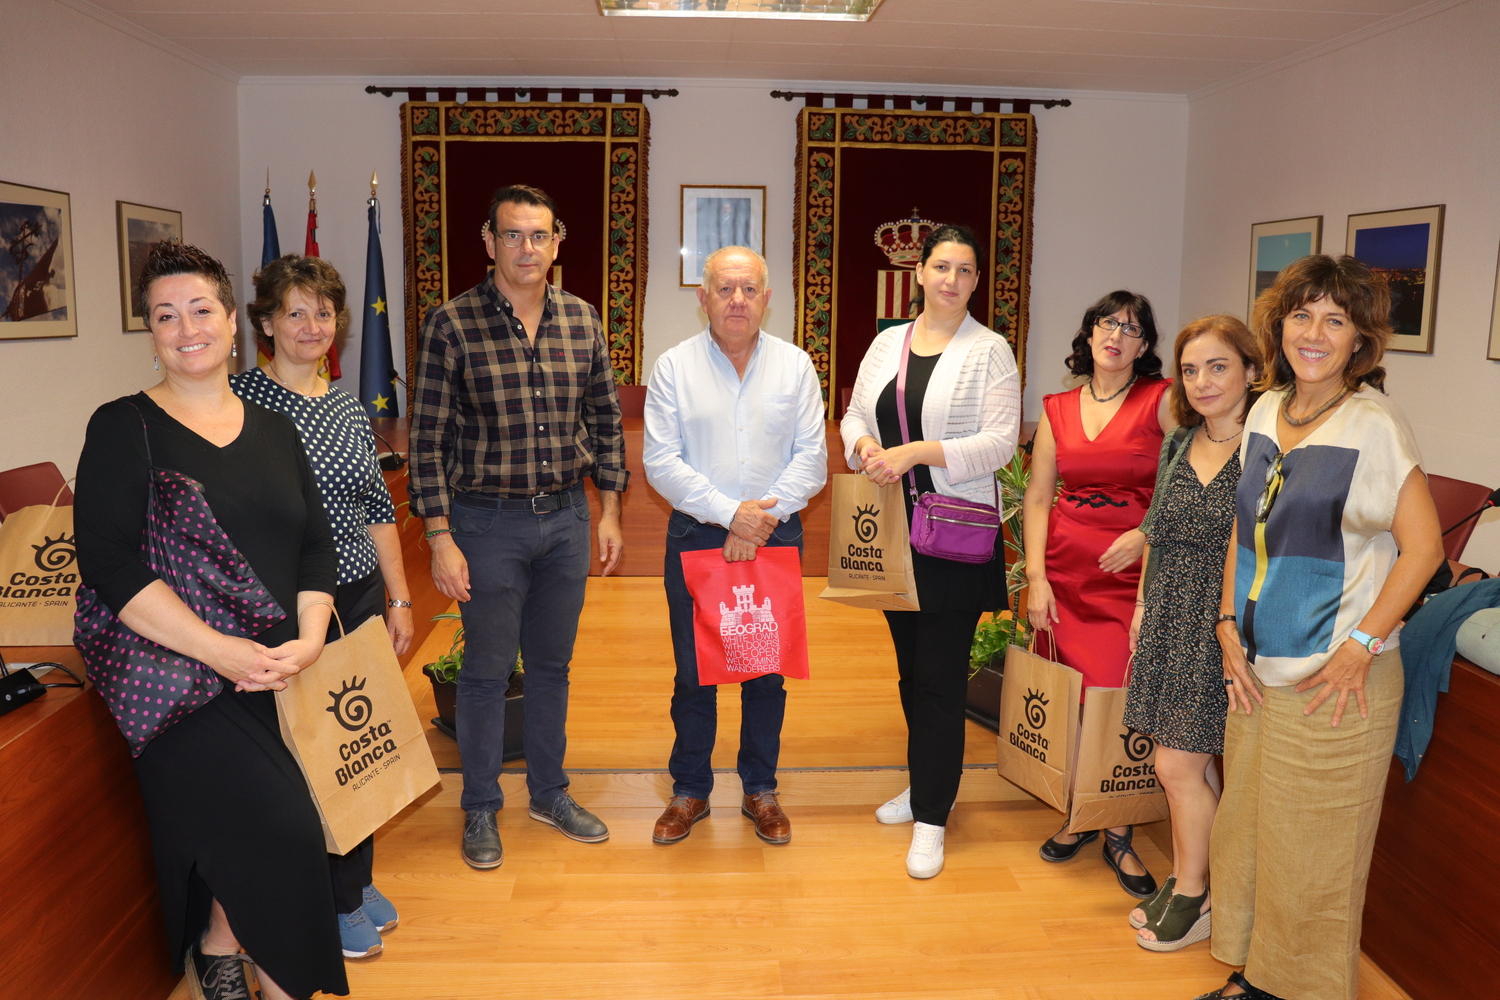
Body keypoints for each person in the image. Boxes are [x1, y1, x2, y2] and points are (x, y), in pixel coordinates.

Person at [74, 243, 345, 1000]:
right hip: (181, 683)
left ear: (232, 322)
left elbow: (315, 544)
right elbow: (108, 565)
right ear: (151, 333)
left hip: (274, 672)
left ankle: (221, 945)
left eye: (200, 310)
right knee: (288, 831)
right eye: (165, 316)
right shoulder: (123, 426)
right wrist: (222, 652)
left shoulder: (277, 430)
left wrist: (311, 637)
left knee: (250, 832)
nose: (186, 328)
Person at [1199, 255, 1443, 1000]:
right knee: (1250, 831)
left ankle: (1290, 990)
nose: (1314, 333)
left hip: (1335, 679)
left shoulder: (1375, 425)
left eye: (1335, 320)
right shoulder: (1265, 410)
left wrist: (1362, 645)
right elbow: (1243, 528)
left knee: (1314, 854)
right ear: (1280, 325)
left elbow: (1425, 550)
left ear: (1359, 340)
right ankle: (1257, 974)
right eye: (1302, 315)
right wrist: (1224, 622)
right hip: (1256, 670)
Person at [409, 184, 628, 870]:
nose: (526, 248)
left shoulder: (582, 320)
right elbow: (427, 439)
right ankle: (480, 805)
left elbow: (605, 418)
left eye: (539, 235)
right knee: (486, 670)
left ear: (557, 243)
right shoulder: (452, 324)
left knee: (553, 667)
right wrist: (439, 536)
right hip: (485, 523)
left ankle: (549, 793)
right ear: (489, 241)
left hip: (565, 519)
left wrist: (609, 510)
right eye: (512, 235)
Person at [232, 254, 414, 960]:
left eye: (325, 312)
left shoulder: (344, 404)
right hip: (287, 603)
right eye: (296, 312)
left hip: (358, 594)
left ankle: (354, 880)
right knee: (312, 753)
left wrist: (399, 597)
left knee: (360, 743)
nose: (312, 326)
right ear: (266, 323)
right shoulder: (241, 402)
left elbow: (377, 509)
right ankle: (331, 900)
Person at [842, 224, 1021, 879]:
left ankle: (932, 817)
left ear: (976, 281)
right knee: (911, 672)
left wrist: (915, 453)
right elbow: (854, 415)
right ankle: (926, 781)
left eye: (965, 270)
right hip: (894, 532)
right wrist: (866, 448)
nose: (952, 279)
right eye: (942, 266)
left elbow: (999, 442)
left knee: (941, 679)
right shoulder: (887, 343)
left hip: (953, 536)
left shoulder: (990, 350)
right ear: (919, 272)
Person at [642, 246, 827, 846]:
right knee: (693, 674)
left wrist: (757, 521)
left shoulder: (796, 367)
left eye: (749, 290)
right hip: (698, 536)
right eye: (725, 289)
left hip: (775, 536)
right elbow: (661, 461)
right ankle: (690, 789)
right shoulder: (673, 367)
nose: (737, 301)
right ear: (703, 299)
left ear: (767, 299)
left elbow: (812, 460)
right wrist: (732, 515)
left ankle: (760, 789)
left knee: (765, 674)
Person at [1023, 290, 1175, 898]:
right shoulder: (1057, 407)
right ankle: (1081, 813)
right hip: (1064, 574)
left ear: (1145, 346)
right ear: (1089, 334)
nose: (1117, 335)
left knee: (1113, 698)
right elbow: (1039, 496)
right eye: (1108, 323)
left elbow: (1188, 482)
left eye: (1131, 328)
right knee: (1073, 701)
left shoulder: (1162, 401)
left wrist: (1145, 533)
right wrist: (1036, 578)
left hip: (1130, 581)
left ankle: (1117, 831)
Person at [1122, 315, 1260, 951]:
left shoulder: (1266, 450)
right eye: (1190, 370)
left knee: (1178, 765)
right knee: (1185, 766)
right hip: (1168, 614)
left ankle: (1196, 894)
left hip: (1221, 623)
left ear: (1252, 371)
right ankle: (1187, 877)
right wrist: (1142, 604)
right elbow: (1156, 526)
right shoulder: (1179, 441)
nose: (1202, 381)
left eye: (1218, 366)